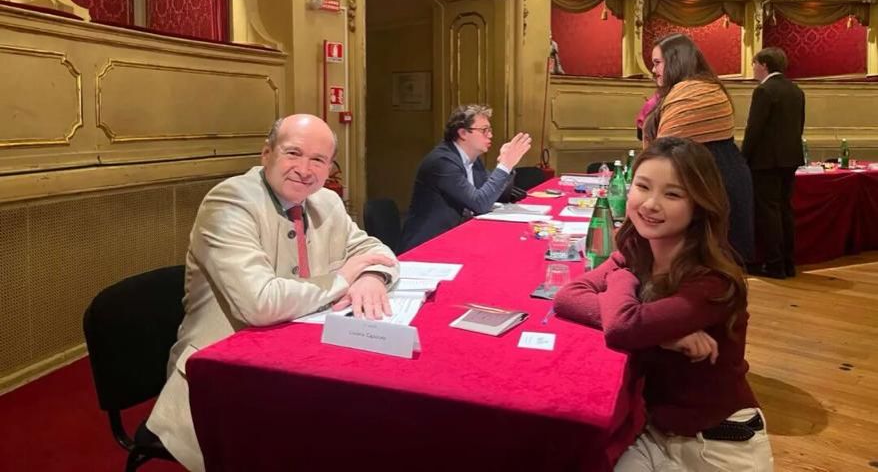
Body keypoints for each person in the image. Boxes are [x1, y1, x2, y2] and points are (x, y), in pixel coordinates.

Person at [147, 114, 399, 472]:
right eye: (293, 153)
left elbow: (376, 250)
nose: (305, 170)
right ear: (266, 153)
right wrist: (344, 278)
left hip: (304, 356)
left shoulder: (325, 201)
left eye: (318, 160)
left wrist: (370, 276)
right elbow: (260, 304)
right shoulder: (229, 202)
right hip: (224, 377)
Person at [555, 137, 773, 471]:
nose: (651, 204)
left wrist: (622, 283)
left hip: (719, 446)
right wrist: (660, 334)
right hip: (656, 435)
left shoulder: (713, 281)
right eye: (642, 187)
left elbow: (624, 326)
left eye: (672, 194)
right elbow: (568, 296)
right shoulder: (639, 251)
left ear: (699, 205)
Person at [642, 33, 754, 266]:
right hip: (700, 179)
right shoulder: (690, 89)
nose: (653, 70)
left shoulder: (695, 91)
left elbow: (663, 153)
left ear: (676, 61)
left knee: (705, 270)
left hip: (710, 185)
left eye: (657, 63)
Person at [398, 104, 532, 252]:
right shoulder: (442, 162)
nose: (490, 135)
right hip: (426, 246)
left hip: (455, 239)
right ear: (463, 133)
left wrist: (506, 165)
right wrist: (505, 165)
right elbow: (480, 204)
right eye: (484, 130)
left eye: (490, 130)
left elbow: (499, 196)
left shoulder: (474, 160)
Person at [742, 47, 805, 279]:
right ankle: (788, 263)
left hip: (766, 162)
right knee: (785, 209)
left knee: (768, 212)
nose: (753, 68)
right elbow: (799, 126)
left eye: (754, 64)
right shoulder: (796, 90)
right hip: (790, 158)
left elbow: (754, 129)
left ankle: (775, 264)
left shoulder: (764, 90)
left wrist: (743, 157)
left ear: (764, 65)